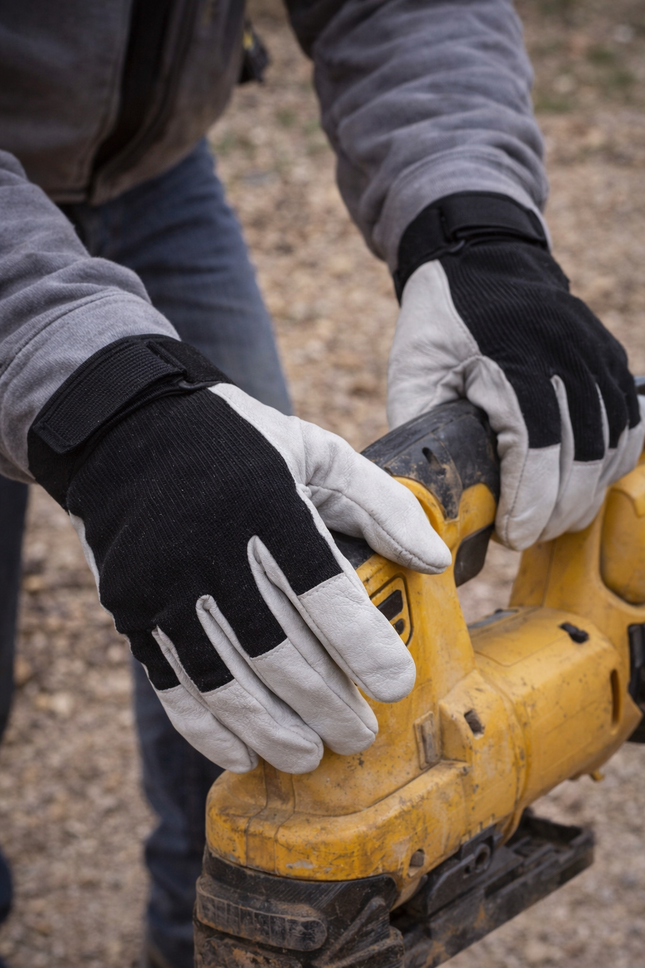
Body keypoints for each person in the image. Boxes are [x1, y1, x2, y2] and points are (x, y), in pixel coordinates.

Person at [0, 3, 642, 967]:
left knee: (258, 601)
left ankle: (191, 932)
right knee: (180, 503)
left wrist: (475, 228)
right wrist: (105, 404)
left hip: (159, 173)